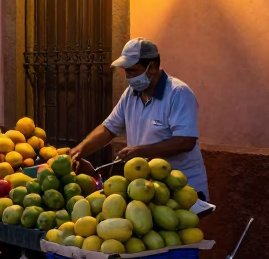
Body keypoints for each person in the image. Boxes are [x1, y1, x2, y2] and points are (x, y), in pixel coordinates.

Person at [70, 37, 209, 201]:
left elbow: (186, 141)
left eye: (132, 71)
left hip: (182, 190)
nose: (127, 76)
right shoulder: (130, 94)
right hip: (147, 189)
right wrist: (77, 152)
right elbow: (108, 129)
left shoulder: (178, 93)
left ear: (151, 67)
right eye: (125, 71)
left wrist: (140, 151)